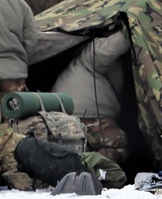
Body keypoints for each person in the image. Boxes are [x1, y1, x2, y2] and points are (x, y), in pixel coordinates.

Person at [51, 29, 131, 166]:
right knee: (119, 144)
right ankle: (93, 172)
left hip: (62, 121)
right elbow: (109, 47)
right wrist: (131, 29)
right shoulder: (89, 57)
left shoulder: (74, 66)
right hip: (89, 118)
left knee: (80, 150)